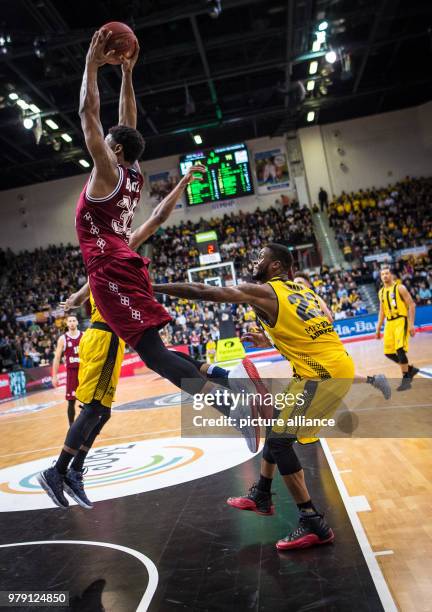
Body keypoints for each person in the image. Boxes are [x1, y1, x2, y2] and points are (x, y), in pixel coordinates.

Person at [153, 243, 391, 550]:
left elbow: (204, 291)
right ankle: (262, 494)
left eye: (260, 257)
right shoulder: (302, 291)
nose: (253, 260)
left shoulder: (268, 291)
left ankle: (312, 522)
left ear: (276, 266)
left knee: (279, 441)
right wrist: (269, 337)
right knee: (277, 427)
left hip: (320, 372)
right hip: (323, 366)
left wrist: (153, 285)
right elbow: (316, 324)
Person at [37, 152, 210, 509]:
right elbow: (155, 218)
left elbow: (157, 217)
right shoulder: (106, 256)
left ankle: (73, 471)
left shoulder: (113, 253)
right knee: (94, 409)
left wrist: (180, 184)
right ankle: (59, 470)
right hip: (102, 336)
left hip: (111, 338)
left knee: (102, 411)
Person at [376, 266, 418, 391]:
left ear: (391, 275)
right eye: (383, 274)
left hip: (401, 320)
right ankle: (410, 369)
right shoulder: (381, 292)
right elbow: (382, 311)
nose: (385, 276)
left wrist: (411, 324)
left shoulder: (400, 288)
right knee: (388, 352)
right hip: (389, 323)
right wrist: (378, 328)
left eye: (387, 273)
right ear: (380, 277)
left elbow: (411, 305)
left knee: (400, 350)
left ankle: (406, 380)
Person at [52, 314, 83, 425]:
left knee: (88, 400)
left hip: (84, 372)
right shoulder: (63, 339)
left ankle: (88, 423)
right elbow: (56, 358)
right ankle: (71, 427)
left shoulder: (84, 336)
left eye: (74, 320)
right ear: (67, 323)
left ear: (77, 322)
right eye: (69, 321)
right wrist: (54, 376)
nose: (72, 322)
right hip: (72, 373)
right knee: (71, 401)